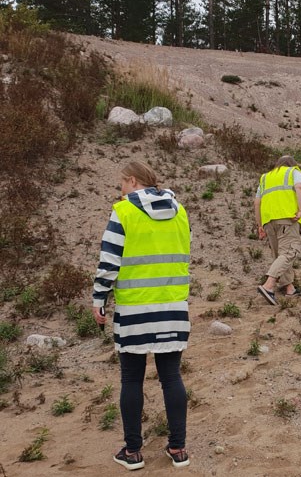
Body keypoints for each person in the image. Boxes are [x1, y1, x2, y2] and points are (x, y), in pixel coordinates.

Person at [92, 162, 191, 471]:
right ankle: (178, 448)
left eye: (122, 182)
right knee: (171, 377)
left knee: (132, 378)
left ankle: (133, 452)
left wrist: (99, 299)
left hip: (134, 308)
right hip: (173, 307)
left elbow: (109, 261)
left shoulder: (123, 212)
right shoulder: (181, 211)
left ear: (132, 180)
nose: (120, 188)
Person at [255, 155, 301, 305]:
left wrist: (259, 225)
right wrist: (300, 209)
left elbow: (257, 202)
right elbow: (299, 187)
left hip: (268, 221)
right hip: (287, 218)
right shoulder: (293, 172)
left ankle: (289, 288)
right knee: (290, 251)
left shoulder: (265, 178)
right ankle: (269, 285)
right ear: (292, 164)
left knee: (280, 255)